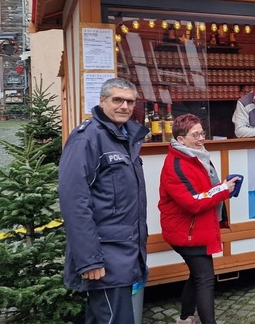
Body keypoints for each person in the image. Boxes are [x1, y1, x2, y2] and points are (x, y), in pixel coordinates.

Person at [57, 77, 149, 323]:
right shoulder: (87, 138)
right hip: (105, 257)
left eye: (130, 102)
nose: (124, 107)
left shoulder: (124, 137)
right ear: (102, 101)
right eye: (117, 100)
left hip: (125, 253)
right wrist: (90, 260)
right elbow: (74, 202)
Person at [159, 113, 240, 324]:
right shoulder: (176, 164)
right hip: (186, 232)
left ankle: (186, 318)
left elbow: (203, 191)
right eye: (195, 134)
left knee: (197, 276)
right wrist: (223, 189)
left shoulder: (196, 156)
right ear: (180, 139)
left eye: (202, 132)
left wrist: (222, 187)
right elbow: (192, 202)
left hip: (194, 229)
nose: (201, 138)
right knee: (205, 279)